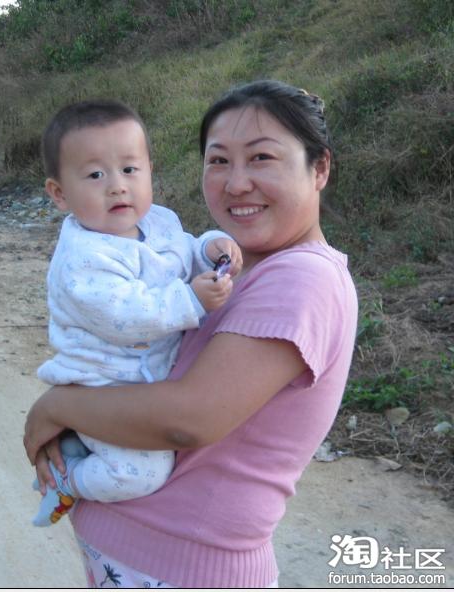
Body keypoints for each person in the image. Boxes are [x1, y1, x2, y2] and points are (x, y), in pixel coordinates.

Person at [24, 80, 358, 587]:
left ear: (320, 168)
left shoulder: (302, 278)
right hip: (144, 559)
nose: (236, 183)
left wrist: (55, 408)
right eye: (219, 160)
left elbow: (188, 419)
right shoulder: (242, 266)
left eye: (262, 157)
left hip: (186, 569)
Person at [31, 100, 242, 527]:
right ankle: (68, 479)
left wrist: (210, 248)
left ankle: (80, 450)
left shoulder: (158, 221)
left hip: (144, 379)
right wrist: (190, 300)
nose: (117, 186)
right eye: (95, 175)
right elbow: (126, 316)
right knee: (141, 472)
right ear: (59, 193)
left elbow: (183, 253)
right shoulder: (82, 259)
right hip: (102, 385)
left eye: (130, 169)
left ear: (149, 171)